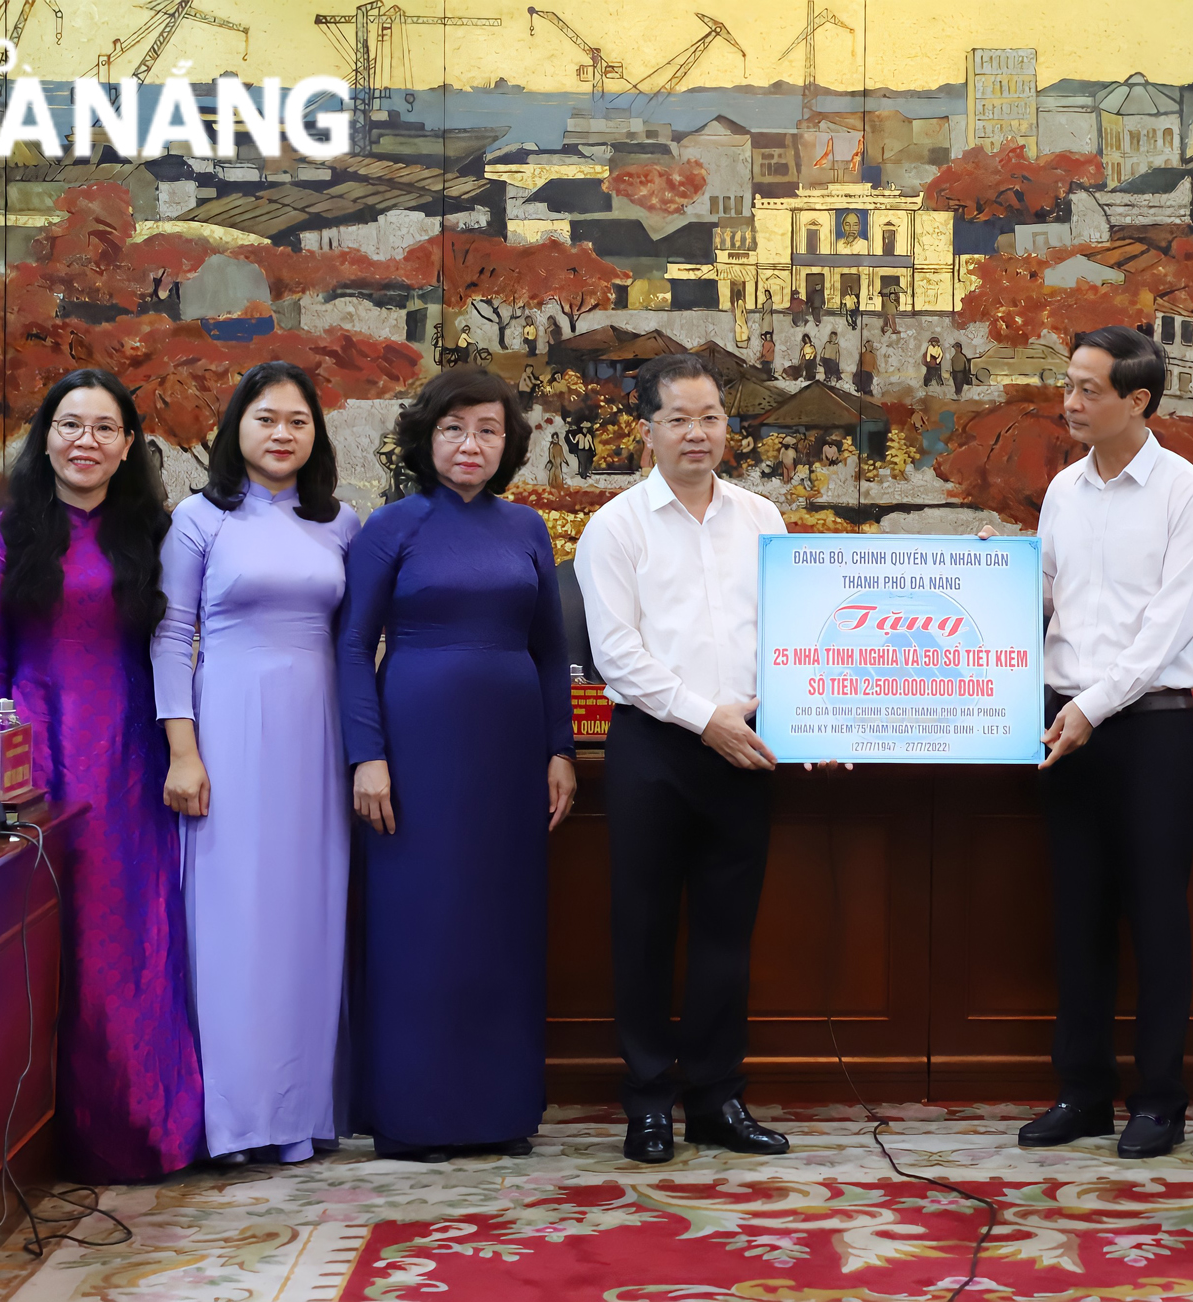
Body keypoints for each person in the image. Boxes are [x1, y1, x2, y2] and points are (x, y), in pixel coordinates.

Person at [0, 369, 203, 1182]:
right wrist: (3, 772)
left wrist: (183, 749)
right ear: (46, 435)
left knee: (133, 938)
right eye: (70, 425)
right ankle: (53, 1139)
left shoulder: (153, 532)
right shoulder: (5, 533)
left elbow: (174, 649)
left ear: (128, 445)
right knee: (54, 945)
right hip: (41, 756)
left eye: (105, 429)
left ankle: (146, 1128)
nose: (85, 442)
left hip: (134, 757)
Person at [337, 368, 578, 1163]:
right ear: (426, 438)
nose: (469, 444)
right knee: (421, 923)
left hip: (510, 752)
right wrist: (366, 756)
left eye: (486, 430)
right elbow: (349, 646)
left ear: (508, 444)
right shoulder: (391, 525)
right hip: (414, 747)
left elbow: (551, 651)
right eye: (452, 429)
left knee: (501, 924)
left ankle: (501, 1109)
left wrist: (559, 749)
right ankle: (415, 1115)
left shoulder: (528, 530)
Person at [575, 352, 791, 1166]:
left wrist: (803, 718)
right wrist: (706, 720)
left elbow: (789, 632)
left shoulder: (762, 518)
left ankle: (716, 1098)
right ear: (648, 432)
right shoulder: (617, 526)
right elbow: (617, 656)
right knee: (643, 928)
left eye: (710, 419)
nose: (697, 434)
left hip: (749, 749)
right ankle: (647, 1105)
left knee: (727, 935)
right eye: (679, 419)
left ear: (727, 429)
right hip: (655, 750)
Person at [1012, 327, 1193, 1161]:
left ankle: (1160, 1100)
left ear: (1138, 401)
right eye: (1067, 385)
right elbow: (1050, 593)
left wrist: (1094, 705)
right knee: (1079, 916)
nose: (1070, 402)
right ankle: (1083, 1094)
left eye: (1089, 390)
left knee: (1157, 918)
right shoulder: (1064, 489)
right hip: (1069, 728)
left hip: (1151, 727)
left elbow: (1171, 623)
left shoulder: (1186, 492)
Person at [153, 361, 361, 1167]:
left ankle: (301, 1114)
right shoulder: (200, 520)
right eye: (267, 418)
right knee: (233, 922)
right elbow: (170, 637)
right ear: (237, 428)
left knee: (310, 921)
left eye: (298, 422)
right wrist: (184, 750)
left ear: (316, 436)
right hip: (228, 733)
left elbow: (355, 640)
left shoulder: (341, 524)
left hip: (318, 737)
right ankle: (233, 1122)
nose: (282, 434)